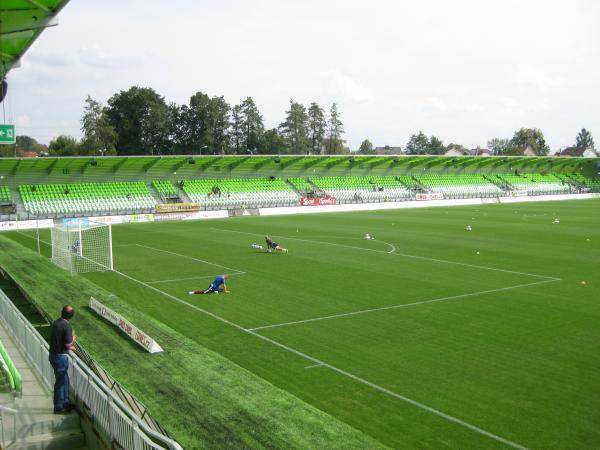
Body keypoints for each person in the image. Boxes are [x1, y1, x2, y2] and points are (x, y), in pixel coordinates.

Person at [49, 305, 77, 414]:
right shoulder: (66, 326)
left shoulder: (56, 322)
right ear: (71, 316)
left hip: (54, 356)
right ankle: (58, 406)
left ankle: (65, 402)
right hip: (60, 357)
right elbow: (68, 344)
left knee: (65, 379)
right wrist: (73, 339)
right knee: (60, 382)